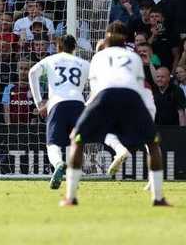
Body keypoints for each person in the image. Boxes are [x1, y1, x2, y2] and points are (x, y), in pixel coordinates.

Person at [61, 22, 169, 206]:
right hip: (132, 96)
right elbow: (138, 86)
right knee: (152, 142)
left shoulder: (98, 57)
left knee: (77, 139)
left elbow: (95, 89)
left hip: (105, 95)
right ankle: (158, 198)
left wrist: (92, 109)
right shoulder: (133, 56)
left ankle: (71, 197)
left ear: (107, 39)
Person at [27, 35, 90, 189]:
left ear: (58, 47)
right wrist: (88, 103)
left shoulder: (51, 59)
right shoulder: (84, 63)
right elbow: (96, 82)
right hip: (78, 104)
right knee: (75, 143)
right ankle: (73, 178)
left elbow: (32, 73)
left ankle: (58, 164)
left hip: (57, 104)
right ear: (74, 48)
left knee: (53, 144)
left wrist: (39, 102)